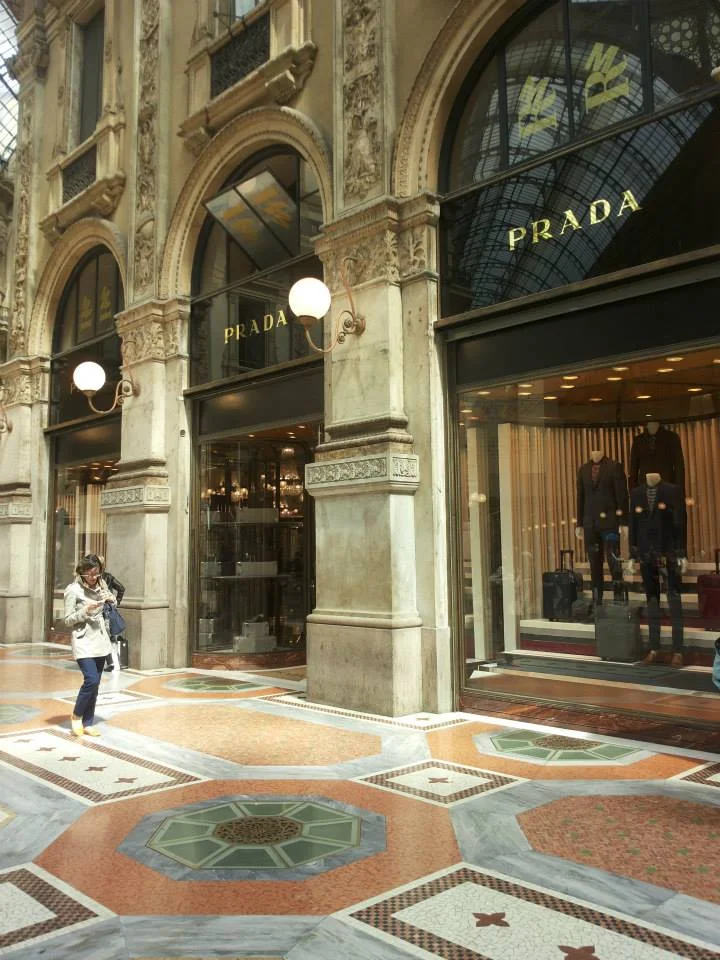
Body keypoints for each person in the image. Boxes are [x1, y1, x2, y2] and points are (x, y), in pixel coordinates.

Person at [64, 556, 116, 737]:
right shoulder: (73, 590)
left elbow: (113, 605)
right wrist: (85, 610)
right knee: (91, 680)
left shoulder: (102, 585)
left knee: (96, 685)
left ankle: (88, 722)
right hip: (83, 640)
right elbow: (68, 620)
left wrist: (111, 599)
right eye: (91, 574)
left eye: (97, 573)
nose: (94, 577)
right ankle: (76, 715)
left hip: (100, 639)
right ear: (82, 572)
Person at [85, 554, 126, 672]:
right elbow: (121, 589)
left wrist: (114, 601)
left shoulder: (101, 579)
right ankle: (111, 662)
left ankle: (110, 662)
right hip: (106, 611)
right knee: (107, 637)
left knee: (104, 637)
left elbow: (119, 590)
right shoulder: (104, 577)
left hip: (102, 612)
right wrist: (115, 603)